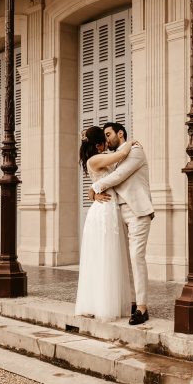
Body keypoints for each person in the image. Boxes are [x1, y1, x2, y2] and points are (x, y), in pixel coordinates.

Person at [89, 122, 154, 326]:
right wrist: (95, 193)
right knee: (124, 260)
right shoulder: (116, 156)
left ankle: (142, 307)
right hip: (116, 212)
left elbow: (119, 176)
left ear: (120, 133)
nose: (106, 139)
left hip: (137, 211)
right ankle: (133, 301)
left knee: (136, 257)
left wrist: (94, 188)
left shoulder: (135, 150)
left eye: (108, 134)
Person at [75, 125, 134, 321]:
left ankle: (107, 301)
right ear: (99, 144)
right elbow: (120, 155)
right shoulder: (95, 159)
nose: (108, 142)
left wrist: (92, 191)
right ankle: (101, 305)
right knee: (103, 256)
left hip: (109, 208)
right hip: (103, 212)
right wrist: (131, 142)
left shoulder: (97, 157)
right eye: (105, 139)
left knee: (109, 256)